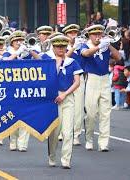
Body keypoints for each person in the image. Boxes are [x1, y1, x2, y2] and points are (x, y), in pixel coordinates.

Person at [81, 24, 121, 151]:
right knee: (91, 114)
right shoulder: (85, 45)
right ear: (90, 35)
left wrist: (108, 44)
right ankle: (89, 139)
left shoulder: (105, 45)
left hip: (104, 79)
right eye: (94, 34)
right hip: (92, 79)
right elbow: (86, 54)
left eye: (99, 34)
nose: (97, 36)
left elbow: (118, 57)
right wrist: (99, 46)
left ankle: (104, 143)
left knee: (105, 113)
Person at [47, 35, 82, 169]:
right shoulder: (48, 61)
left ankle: (66, 159)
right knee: (55, 132)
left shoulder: (72, 62)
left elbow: (77, 82)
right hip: (52, 99)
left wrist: (65, 94)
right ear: (53, 47)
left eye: (63, 46)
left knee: (68, 132)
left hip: (67, 98)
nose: (61, 49)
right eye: (58, 46)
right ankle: (52, 156)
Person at [63, 24, 86, 145]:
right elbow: (63, 58)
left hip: (79, 79)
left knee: (78, 109)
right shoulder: (62, 46)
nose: (73, 35)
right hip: (64, 79)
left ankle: (76, 135)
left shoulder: (81, 47)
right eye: (70, 33)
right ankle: (62, 132)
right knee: (63, 106)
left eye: (75, 33)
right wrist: (73, 48)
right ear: (66, 35)